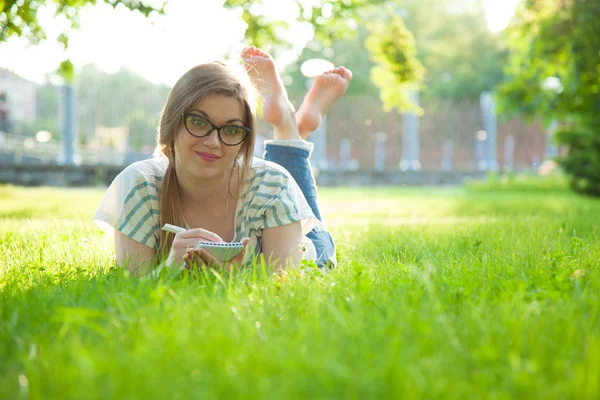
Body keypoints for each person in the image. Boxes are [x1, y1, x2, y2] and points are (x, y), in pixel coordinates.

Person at [93, 46, 352, 276]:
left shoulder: (272, 184)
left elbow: (285, 282)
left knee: (322, 249)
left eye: (230, 129)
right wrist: (169, 267)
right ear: (172, 123)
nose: (213, 142)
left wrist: (232, 279)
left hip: (305, 245)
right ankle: (295, 125)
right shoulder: (141, 186)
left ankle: (288, 122)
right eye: (198, 122)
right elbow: (132, 286)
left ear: (244, 139)